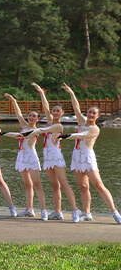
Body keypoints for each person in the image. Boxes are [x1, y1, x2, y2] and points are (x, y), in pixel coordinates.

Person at [59, 84, 121, 223]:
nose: (91, 114)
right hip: (76, 157)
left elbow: (80, 136)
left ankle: (114, 211)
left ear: (98, 116)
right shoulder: (81, 122)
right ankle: (87, 213)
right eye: (89, 112)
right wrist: (72, 93)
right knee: (83, 186)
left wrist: (65, 136)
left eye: (94, 113)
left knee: (98, 185)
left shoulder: (94, 129)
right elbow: (76, 108)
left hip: (87, 157)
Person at [29, 83, 79, 221]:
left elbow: (44, 131)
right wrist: (41, 92)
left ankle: (75, 210)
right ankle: (58, 211)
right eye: (54, 110)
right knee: (54, 185)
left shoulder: (59, 125)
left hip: (56, 156)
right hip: (47, 157)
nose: (55, 112)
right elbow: (45, 106)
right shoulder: (49, 122)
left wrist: (71, 93)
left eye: (58, 111)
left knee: (64, 183)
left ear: (62, 113)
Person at [3, 93, 48, 218]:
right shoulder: (23, 126)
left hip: (31, 156)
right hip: (21, 156)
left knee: (37, 184)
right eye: (29, 115)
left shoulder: (36, 130)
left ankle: (43, 210)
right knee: (27, 184)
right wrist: (13, 100)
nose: (31, 117)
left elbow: (21, 136)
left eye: (34, 116)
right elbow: (18, 113)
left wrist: (3, 133)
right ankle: (29, 209)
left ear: (38, 119)